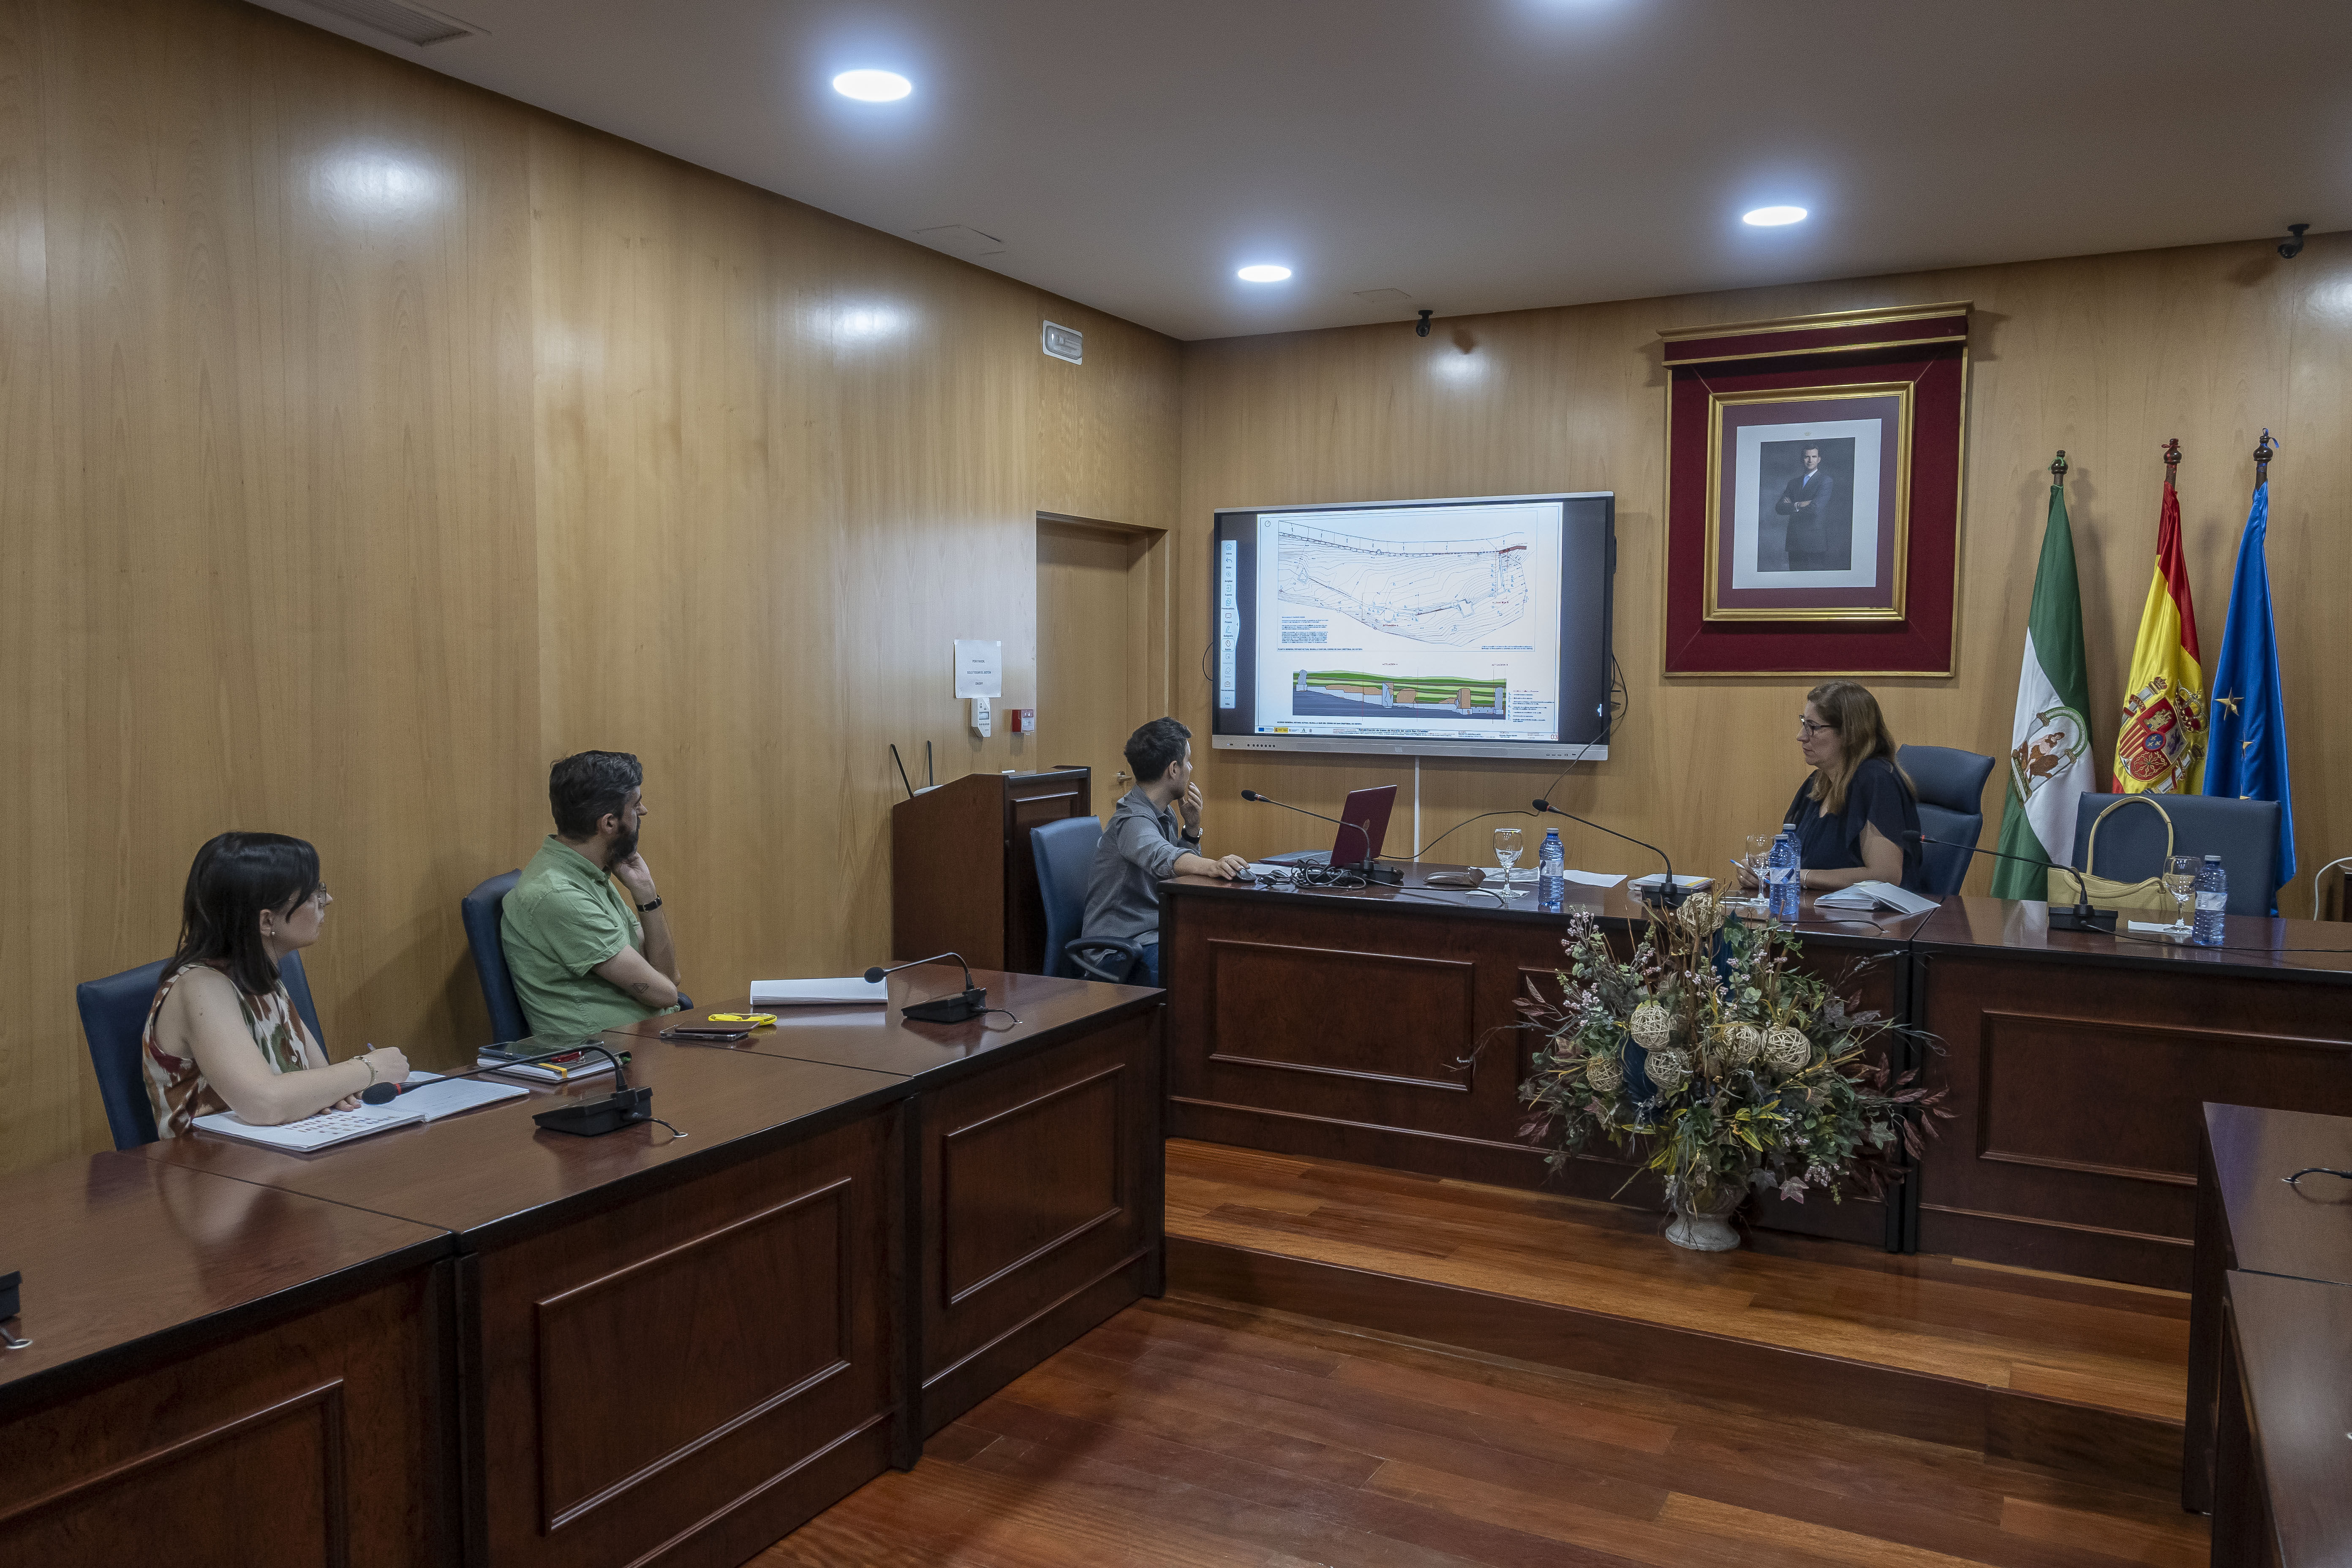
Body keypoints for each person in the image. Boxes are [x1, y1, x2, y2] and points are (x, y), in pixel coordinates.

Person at [142, 833, 410, 1135]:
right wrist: (370, 1068)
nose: (327, 900)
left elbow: (326, 1083)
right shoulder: (201, 987)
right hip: (210, 1160)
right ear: (267, 921)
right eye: (313, 893)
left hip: (282, 1152)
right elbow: (265, 1103)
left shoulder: (263, 979)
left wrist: (334, 1087)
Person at [502, 751, 683, 1041]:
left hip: (645, 1039)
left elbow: (668, 977)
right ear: (609, 823)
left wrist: (646, 893)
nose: (643, 811)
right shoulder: (560, 894)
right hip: (607, 1056)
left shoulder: (587, 872)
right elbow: (664, 994)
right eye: (636, 804)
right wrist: (665, 989)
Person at [1079, 717, 1249, 985]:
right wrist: (1213, 866)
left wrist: (1191, 829)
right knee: (1204, 968)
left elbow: (1175, 873)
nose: (1191, 768)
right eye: (1188, 761)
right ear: (1174, 769)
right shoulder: (1132, 821)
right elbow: (1163, 857)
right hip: (1118, 952)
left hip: (1152, 937)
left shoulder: (1164, 813)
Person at [1744, 680, 1925, 894]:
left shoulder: (1877, 780)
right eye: (1804, 723)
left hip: (1868, 914)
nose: (1801, 736)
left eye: (1813, 727)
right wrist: (1762, 867)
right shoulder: (1816, 783)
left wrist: (1799, 876)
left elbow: (1885, 876)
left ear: (1850, 734)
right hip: (1815, 907)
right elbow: (1796, 855)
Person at [1773, 444, 1838, 571]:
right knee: (1795, 580)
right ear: (1802, 459)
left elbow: (1815, 509)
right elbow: (1779, 508)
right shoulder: (1793, 483)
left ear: (1819, 459)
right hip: (1794, 542)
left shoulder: (1825, 481)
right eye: (1807, 457)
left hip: (1814, 543)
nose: (1810, 460)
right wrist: (1798, 505)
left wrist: (1791, 507)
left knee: (1814, 580)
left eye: (1814, 457)